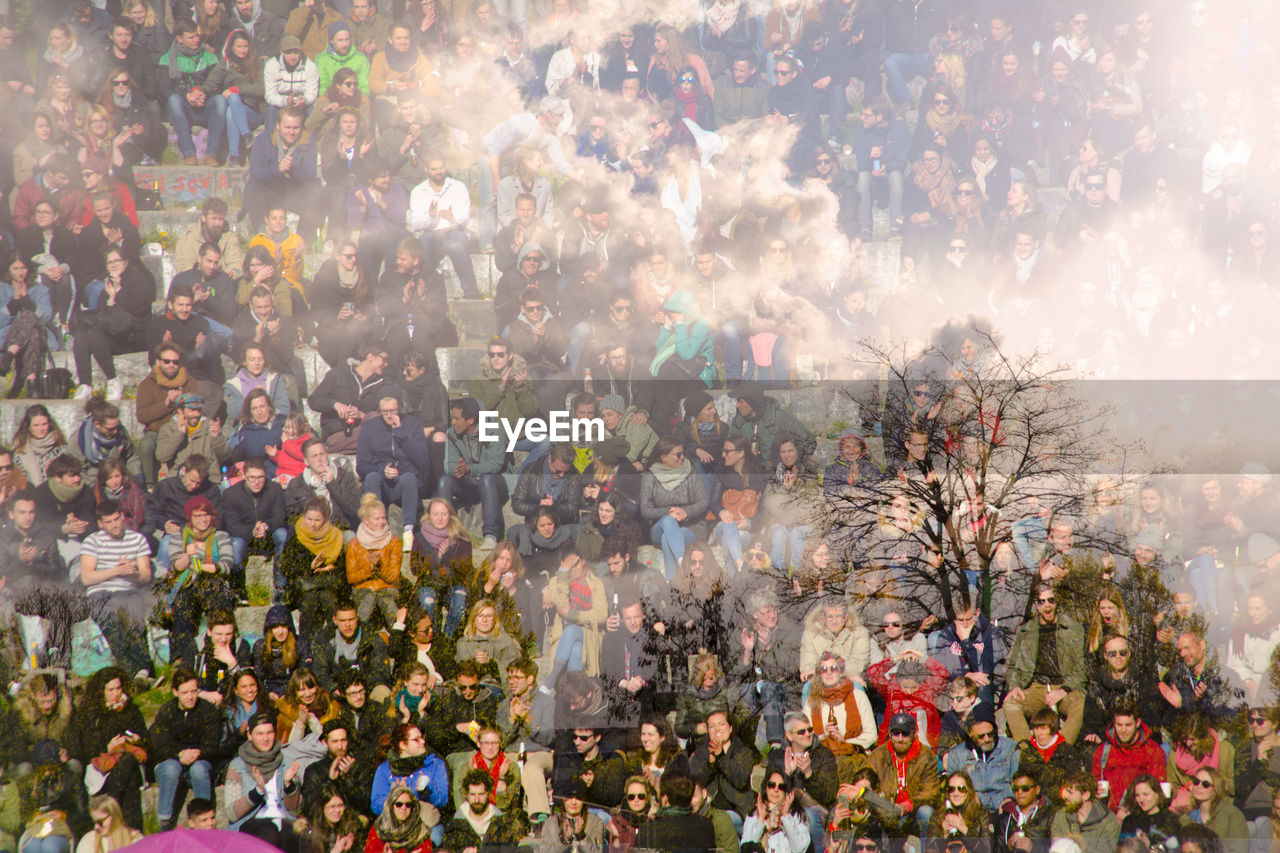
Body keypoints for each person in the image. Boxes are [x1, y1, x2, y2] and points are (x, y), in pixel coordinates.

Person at [1003, 580, 1087, 745]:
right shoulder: (1025, 631)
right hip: (1036, 688)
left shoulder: (1072, 628)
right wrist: (1014, 686)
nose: (1047, 606)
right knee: (1011, 703)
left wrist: (1064, 690)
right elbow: (1012, 665)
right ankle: (1028, 752)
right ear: (1035, 605)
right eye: (1041, 601)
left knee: (1081, 703)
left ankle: (1061, 749)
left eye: (1051, 600)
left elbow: (1081, 669)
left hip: (1064, 688)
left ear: (1057, 602)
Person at [65, 668, 149, 831]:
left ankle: (112, 807)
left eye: (118, 688)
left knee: (129, 761)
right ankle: (134, 832)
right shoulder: (89, 713)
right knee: (129, 777)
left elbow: (147, 741)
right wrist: (106, 747)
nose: (116, 693)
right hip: (102, 771)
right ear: (101, 691)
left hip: (127, 765)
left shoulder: (131, 710)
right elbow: (81, 749)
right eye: (111, 689)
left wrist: (137, 740)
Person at [79, 499, 153, 682]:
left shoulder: (137, 539)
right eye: (109, 521)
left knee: (135, 624)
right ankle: (139, 672)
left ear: (122, 517)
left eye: (117, 519)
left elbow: (146, 576)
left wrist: (132, 573)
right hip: (100, 592)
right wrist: (117, 570)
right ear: (101, 524)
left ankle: (141, 672)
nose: (114, 525)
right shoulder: (92, 541)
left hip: (128, 590)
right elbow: (87, 577)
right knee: (112, 626)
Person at [70, 246, 154, 402]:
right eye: (110, 263)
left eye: (117, 260)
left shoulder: (139, 280)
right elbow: (103, 318)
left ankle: (113, 380)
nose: (114, 265)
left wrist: (118, 295)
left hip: (133, 335)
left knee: (94, 334)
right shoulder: (106, 287)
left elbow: (138, 309)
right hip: (111, 337)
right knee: (82, 335)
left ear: (126, 262)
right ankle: (85, 385)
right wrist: (110, 299)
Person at [148, 668, 220, 831]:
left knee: (199, 769)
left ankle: (205, 820)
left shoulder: (207, 710)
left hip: (199, 760)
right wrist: (179, 754)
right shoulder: (167, 711)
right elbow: (159, 746)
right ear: (175, 692)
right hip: (172, 763)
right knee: (171, 768)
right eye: (185, 692)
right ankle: (165, 822)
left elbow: (212, 744)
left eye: (194, 691)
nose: (190, 696)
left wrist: (196, 753)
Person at [244, 105, 326, 240]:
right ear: (278, 125)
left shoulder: (308, 140)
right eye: (287, 128)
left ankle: (303, 240)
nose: (292, 132)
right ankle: (261, 236)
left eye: (296, 128)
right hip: (270, 191)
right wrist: (277, 169)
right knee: (253, 188)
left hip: (294, 192)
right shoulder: (263, 140)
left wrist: (291, 167)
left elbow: (310, 174)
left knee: (315, 189)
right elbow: (256, 173)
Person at [356, 395, 432, 537]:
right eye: (385, 412)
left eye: (393, 410)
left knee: (409, 478)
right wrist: (381, 470)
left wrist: (401, 435)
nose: (389, 415)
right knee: (371, 477)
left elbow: (422, 460)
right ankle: (376, 529)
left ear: (400, 409)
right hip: (381, 482)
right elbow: (361, 466)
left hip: (404, 481)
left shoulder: (413, 424)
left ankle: (409, 530)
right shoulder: (369, 427)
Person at [439, 397, 508, 550]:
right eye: (452, 418)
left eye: (457, 419)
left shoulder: (493, 431)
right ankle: (445, 532)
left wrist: (470, 468)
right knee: (444, 481)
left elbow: (495, 465)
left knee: (487, 479)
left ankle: (491, 535)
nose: (453, 423)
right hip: (467, 481)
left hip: (493, 482)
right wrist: (460, 469)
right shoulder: (451, 434)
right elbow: (448, 466)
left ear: (470, 420)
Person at [224, 712, 303, 846]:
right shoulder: (237, 766)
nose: (265, 738)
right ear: (250, 736)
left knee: (293, 833)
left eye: (269, 733)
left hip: (283, 819)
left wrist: (288, 785)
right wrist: (258, 791)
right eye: (260, 734)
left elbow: (296, 809)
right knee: (269, 831)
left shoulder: (287, 764)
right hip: (250, 823)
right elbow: (231, 813)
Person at [408, 154, 479, 299]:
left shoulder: (458, 187)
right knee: (423, 246)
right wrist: (431, 217)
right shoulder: (418, 191)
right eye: (434, 169)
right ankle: (423, 293)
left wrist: (452, 218)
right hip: (431, 233)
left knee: (456, 245)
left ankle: (471, 293)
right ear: (426, 169)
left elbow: (464, 218)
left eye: (441, 168)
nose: (439, 172)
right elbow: (416, 223)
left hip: (454, 231)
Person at [158, 19, 225, 165]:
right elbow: (164, 90)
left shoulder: (210, 57)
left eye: (198, 36)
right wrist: (186, 96)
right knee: (174, 99)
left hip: (204, 103)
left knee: (220, 100)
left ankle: (211, 154)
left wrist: (203, 94)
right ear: (180, 39)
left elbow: (218, 85)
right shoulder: (166, 59)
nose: (196, 40)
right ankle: (189, 153)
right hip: (183, 107)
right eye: (191, 37)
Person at [280, 497, 349, 640]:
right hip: (304, 587)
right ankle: (305, 643)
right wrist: (309, 566)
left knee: (327, 598)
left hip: (328, 585)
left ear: (326, 518)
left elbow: (343, 569)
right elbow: (286, 567)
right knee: (310, 599)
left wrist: (331, 567)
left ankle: (334, 642)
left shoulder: (335, 536)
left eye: (317, 520)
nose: (312, 524)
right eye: (309, 518)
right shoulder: (296, 535)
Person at [309, 342, 396, 454]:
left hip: (364, 431)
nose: (386, 364)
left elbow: (382, 417)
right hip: (337, 434)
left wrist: (360, 415)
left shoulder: (383, 385)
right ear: (370, 357)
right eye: (384, 359)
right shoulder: (339, 374)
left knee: (376, 420)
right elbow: (314, 400)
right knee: (380, 433)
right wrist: (335, 404)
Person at [868, 712, 939, 840]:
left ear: (914, 735)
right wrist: (885, 807)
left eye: (905, 734)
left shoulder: (926, 756)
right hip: (886, 812)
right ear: (890, 734)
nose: (900, 739)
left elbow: (930, 792)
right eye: (896, 733)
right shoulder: (878, 755)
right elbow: (868, 785)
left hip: (913, 812)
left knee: (926, 813)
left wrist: (907, 806)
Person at [224, 456, 288, 584]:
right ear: (244, 476)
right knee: (236, 544)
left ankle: (280, 584)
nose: (256, 482)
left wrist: (266, 526)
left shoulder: (274, 489)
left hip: (268, 533)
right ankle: (238, 587)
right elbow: (232, 525)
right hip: (244, 535)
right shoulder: (231, 494)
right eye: (252, 478)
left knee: (282, 534)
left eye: (260, 477)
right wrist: (251, 531)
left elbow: (280, 517)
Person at [346, 494, 402, 631]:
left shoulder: (393, 541)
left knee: (387, 602)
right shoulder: (354, 543)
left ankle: (397, 638)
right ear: (366, 520)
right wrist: (370, 568)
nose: (382, 522)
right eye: (377, 518)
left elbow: (394, 577)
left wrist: (379, 567)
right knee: (369, 599)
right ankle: (358, 637)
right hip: (363, 590)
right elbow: (351, 577)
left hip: (387, 589)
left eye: (383, 518)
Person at [741, 768, 811, 852]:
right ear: (766, 788)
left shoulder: (796, 815)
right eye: (771, 785)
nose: (776, 790)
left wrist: (786, 815)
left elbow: (799, 848)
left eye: (781, 787)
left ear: (786, 791)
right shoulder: (754, 814)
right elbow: (746, 848)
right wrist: (761, 819)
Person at [173, 197, 246, 276]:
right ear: (204, 218)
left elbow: (236, 265)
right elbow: (184, 269)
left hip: (223, 282)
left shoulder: (230, 237)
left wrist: (226, 275)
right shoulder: (187, 240)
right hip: (196, 284)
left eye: (221, 219)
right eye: (214, 218)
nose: (217, 223)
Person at [1051, 771, 1120, 853]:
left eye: (1070, 792)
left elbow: (1108, 850)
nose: (1064, 796)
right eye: (1065, 792)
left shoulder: (1107, 819)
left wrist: (1081, 844)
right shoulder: (1062, 816)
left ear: (1085, 795)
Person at [991, 768, 1052, 853]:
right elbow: (996, 850)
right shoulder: (1005, 818)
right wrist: (1007, 847)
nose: (1019, 792)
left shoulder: (1049, 816)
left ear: (1037, 789)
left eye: (1025, 788)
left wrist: (1033, 848)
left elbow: (1058, 848)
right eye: (1016, 789)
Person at [75, 794, 142, 852]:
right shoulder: (89, 840)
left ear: (113, 816)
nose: (96, 827)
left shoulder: (135, 839)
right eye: (94, 822)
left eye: (100, 822)